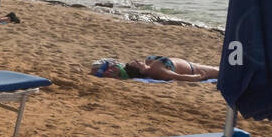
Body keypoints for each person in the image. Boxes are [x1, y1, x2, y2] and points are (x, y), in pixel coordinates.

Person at [91, 56, 220, 81]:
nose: (137, 60)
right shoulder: (157, 71)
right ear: (140, 71)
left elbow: (120, 69)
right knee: (217, 71)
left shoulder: (149, 63)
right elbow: (179, 77)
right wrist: (199, 77)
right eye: (136, 63)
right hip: (193, 69)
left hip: (188, 63)